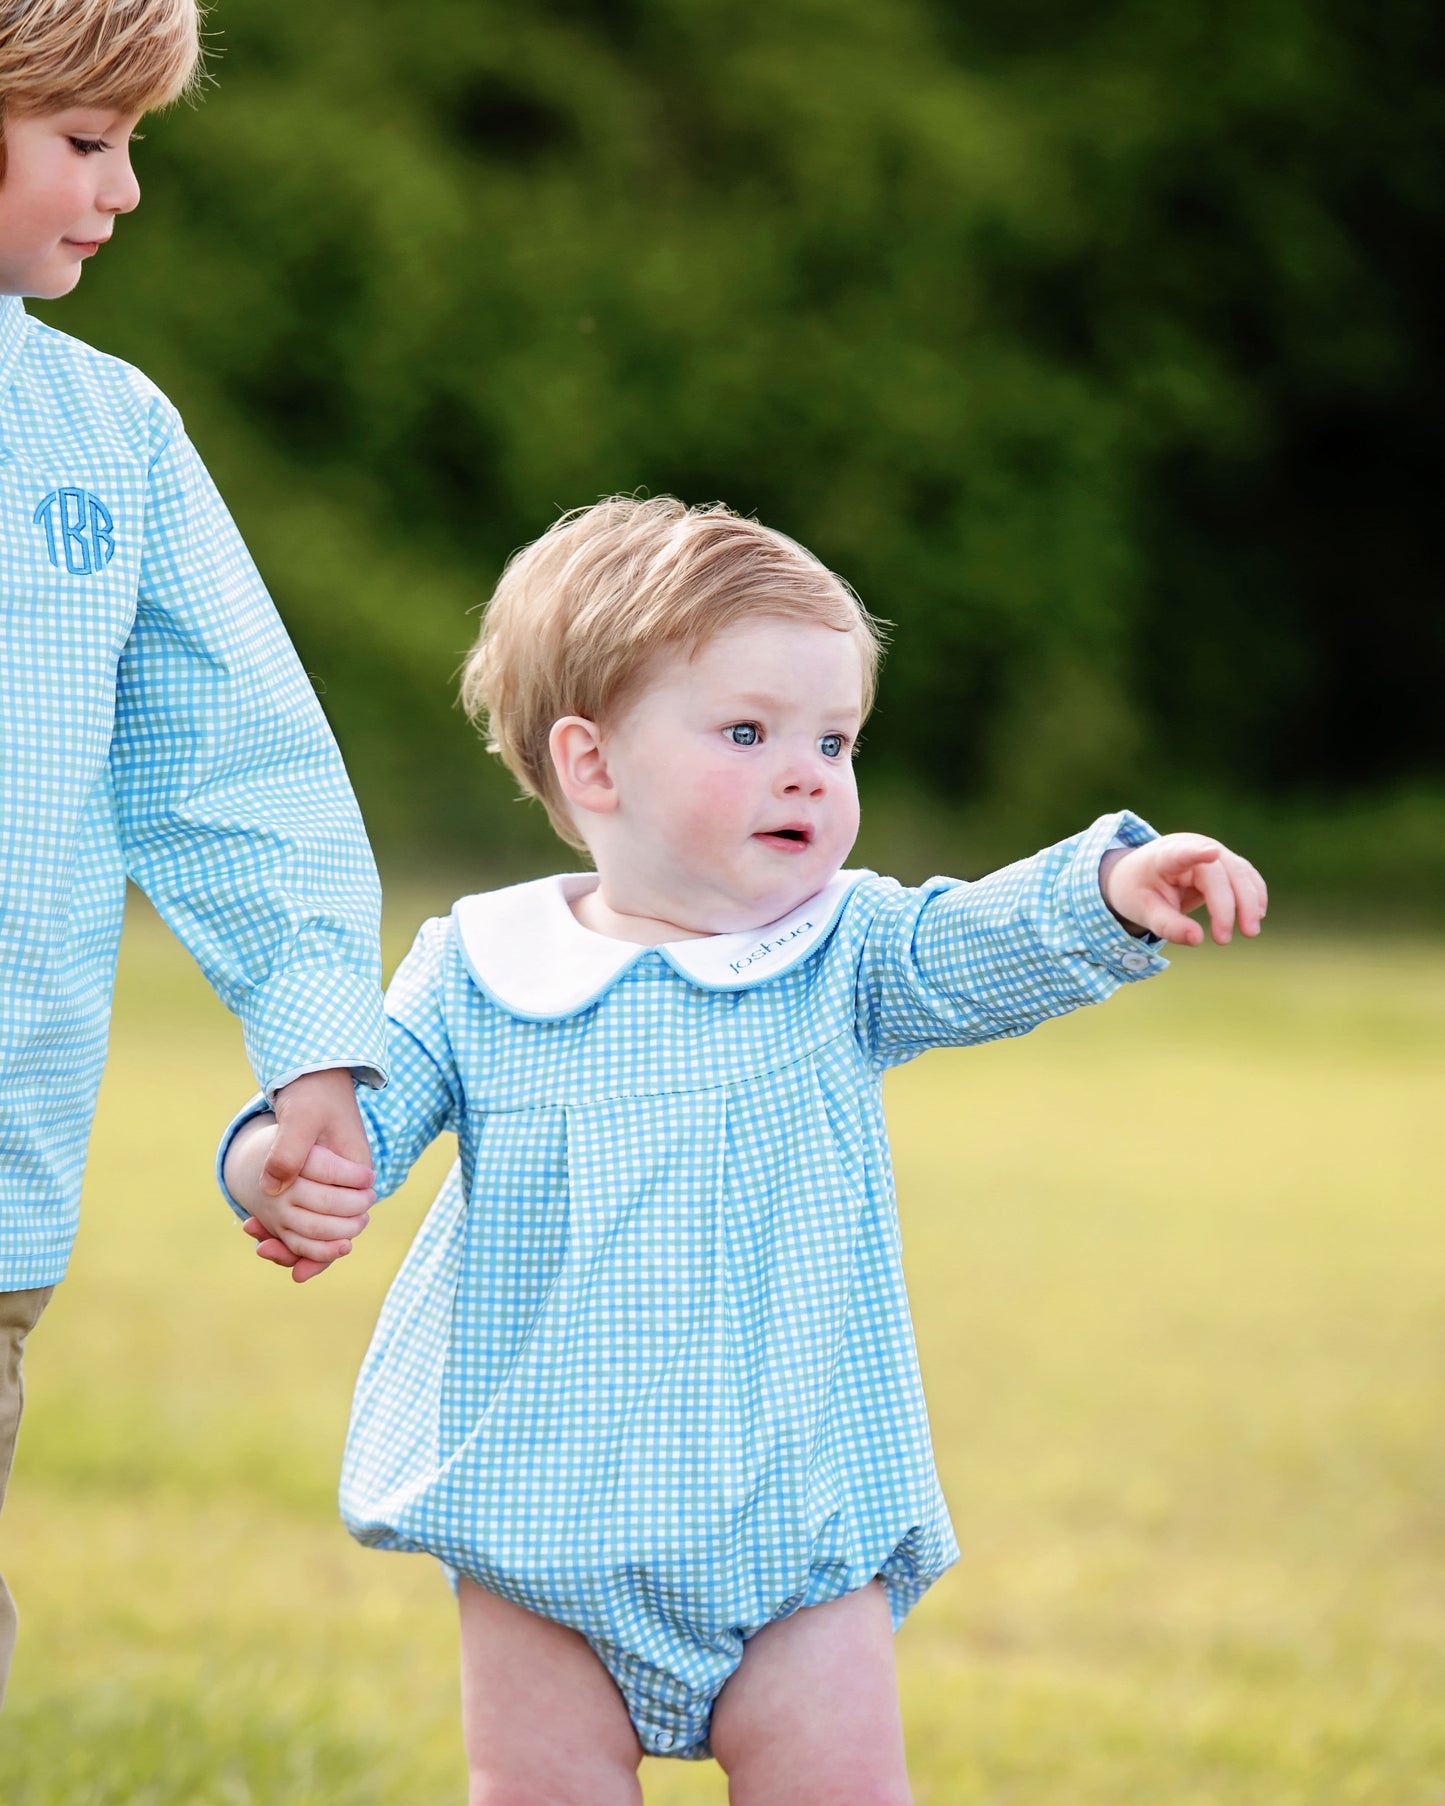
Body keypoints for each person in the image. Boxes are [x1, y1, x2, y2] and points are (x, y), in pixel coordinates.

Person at [223, 496, 1267, 1804]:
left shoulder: (843, 953)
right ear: (592, 766)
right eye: (747, 731)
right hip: (545, 1525)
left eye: (834, 740)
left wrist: (1108, 892)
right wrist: (283, 1159)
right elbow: (355, 1127)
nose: (808, 773)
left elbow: (974, 944)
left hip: (797, 1532)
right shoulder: (482, 970)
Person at [0, 0, 388, 1709]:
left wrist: (313, 1041)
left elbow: (236, 766)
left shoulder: (109, 435)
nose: (126, 191)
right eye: (85, 143)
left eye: (130, 144)